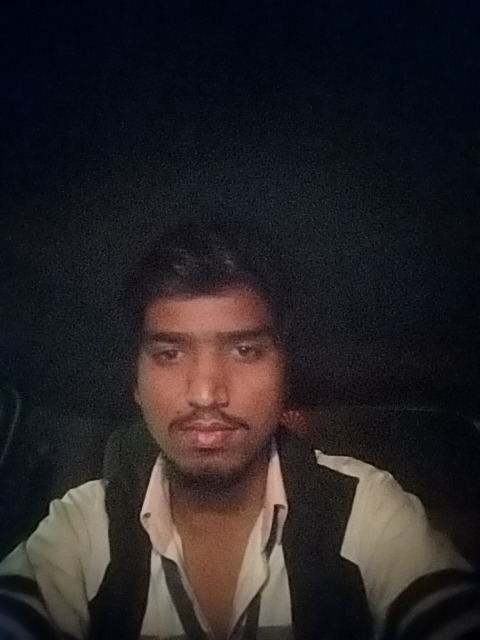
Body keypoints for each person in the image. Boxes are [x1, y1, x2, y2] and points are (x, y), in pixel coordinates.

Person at [0, 222, 479, 640]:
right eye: (169, 354)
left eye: (246, 350)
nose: (206, 394)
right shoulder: (84, 526)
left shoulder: (363, 508)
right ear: (136, 383)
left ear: (285, 373)